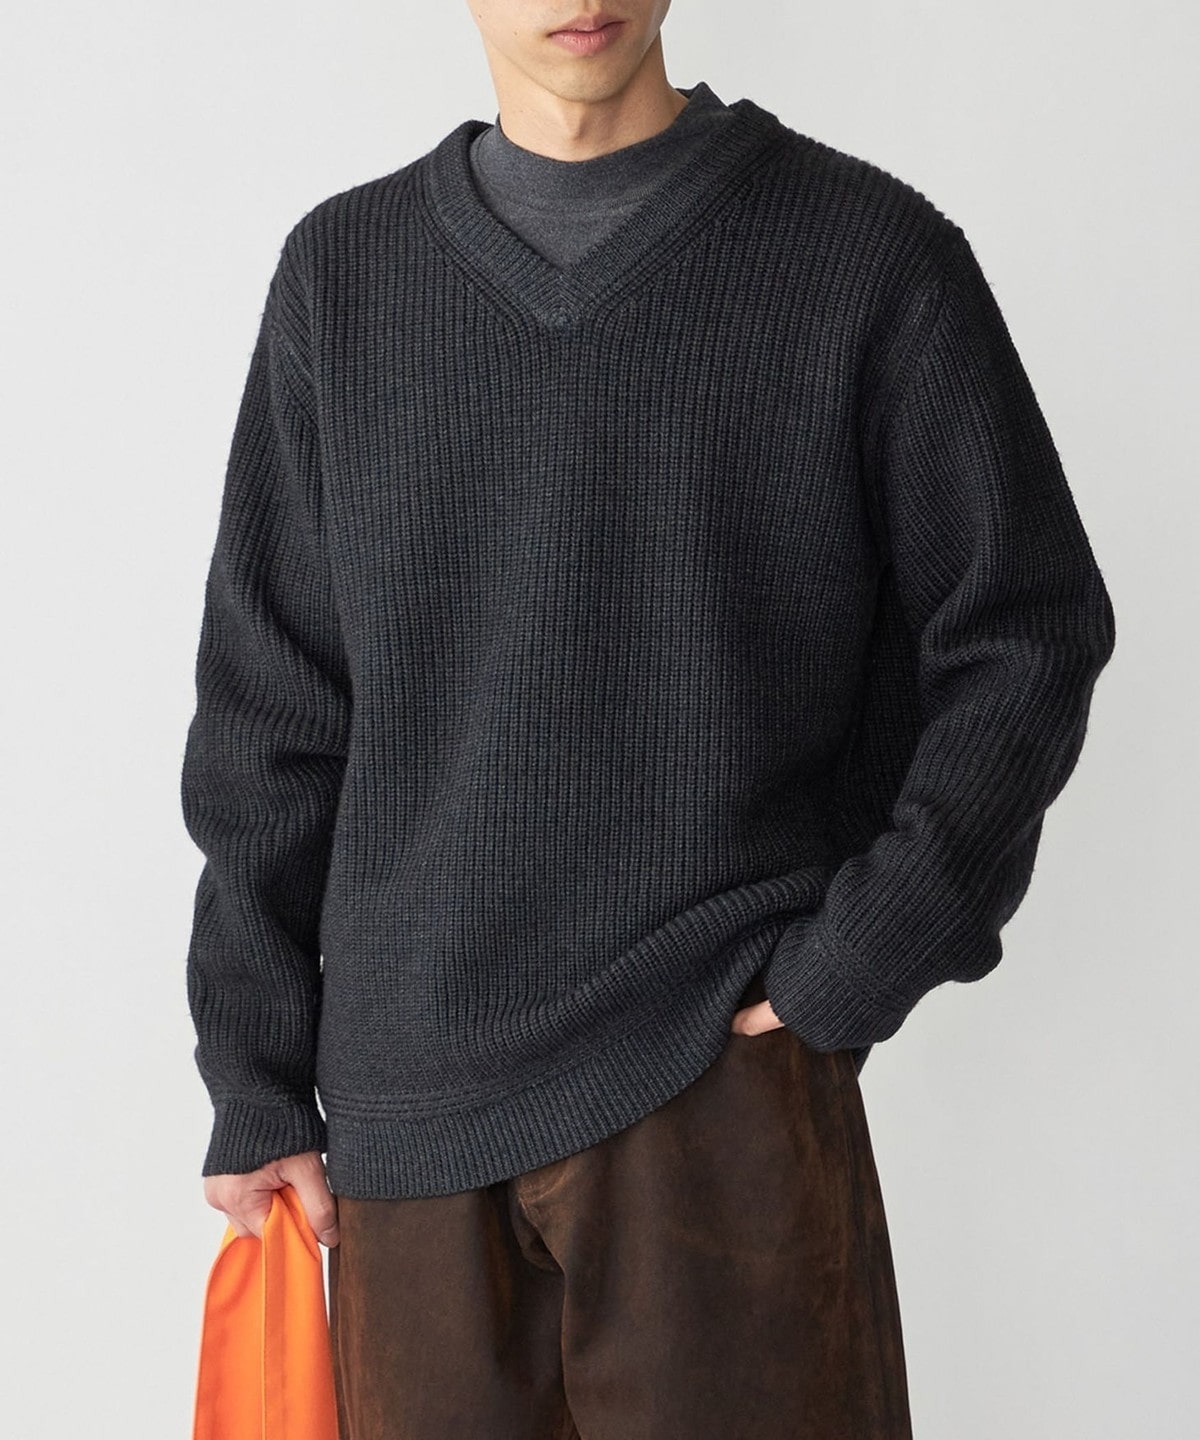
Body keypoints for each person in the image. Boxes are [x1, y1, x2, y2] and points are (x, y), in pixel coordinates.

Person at [180, 3, 1117, 1435]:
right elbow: (273, 709)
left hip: (720, 1091)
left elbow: (1026, 633)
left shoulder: (867, 256)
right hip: (406, 1129)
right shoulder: (342, 279)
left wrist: (859, 961)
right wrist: (255, 1072)